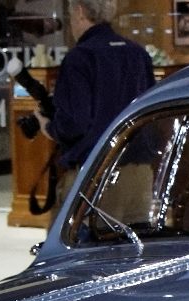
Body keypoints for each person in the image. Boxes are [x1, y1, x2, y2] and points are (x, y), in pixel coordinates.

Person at [43, 0, 155, 176]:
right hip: (139, 169)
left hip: (95, 174)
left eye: (70, 15)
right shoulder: (138, 54)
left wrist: (49, 126)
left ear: (80, 11)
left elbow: (74, 124)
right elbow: (152, 112)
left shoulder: (79, 58)